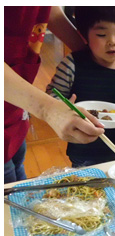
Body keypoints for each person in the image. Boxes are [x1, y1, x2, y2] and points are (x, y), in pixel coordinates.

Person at [4, 6, 104, 183]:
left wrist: (88, 55)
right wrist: (47, 109)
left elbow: (46, 8)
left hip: (15, 116)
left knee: (19, 176)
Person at [46, 6, 115, 167]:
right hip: (83, 153)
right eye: (102, 34)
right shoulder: (72, 64)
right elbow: (52, 95)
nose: (112, 41)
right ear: (84, 36)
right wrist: (65, 108)